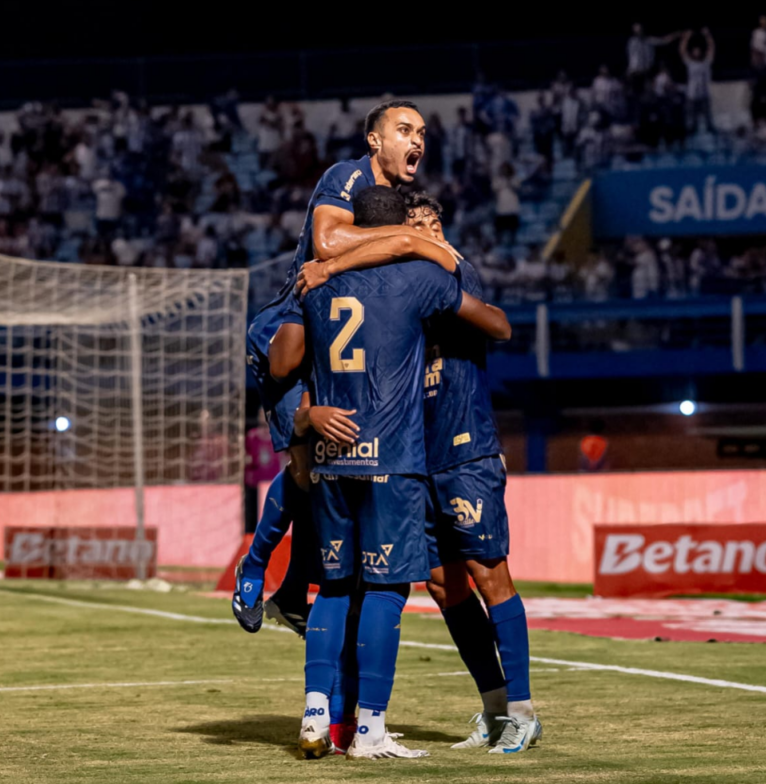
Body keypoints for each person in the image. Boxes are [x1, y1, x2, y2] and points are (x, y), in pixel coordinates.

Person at [295, 185, 510, 760]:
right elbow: (493, 322)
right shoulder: (419, 278)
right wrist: (427, 246)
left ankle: (316, 712)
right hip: (392, 455)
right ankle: (370, 730)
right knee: (387, 588)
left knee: (334, 587)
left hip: (330, 455)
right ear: (397, 231)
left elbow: (286, 358)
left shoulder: (313, 284)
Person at [236, 100, 453, 638]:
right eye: (404, 130)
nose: (417, 140)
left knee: (332, 472)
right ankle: (255, 566)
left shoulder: (399, 203)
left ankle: (293, 592)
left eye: (422, 132)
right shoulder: (347, 176)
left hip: (337, 338)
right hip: (290, 327)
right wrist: (410, 241)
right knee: (306, 471)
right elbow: (327, 242)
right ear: (375, 140)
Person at [404, 191, 541, 753]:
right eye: (415, 224)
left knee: (489, 576)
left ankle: (524, 712)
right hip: (420, 457)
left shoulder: (458, 271)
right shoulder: (402, 293)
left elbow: (496, 324)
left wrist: (430, 247)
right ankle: (494, 706)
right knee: (441, 585)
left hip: (467, 452)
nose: (427, 232)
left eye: (432, 222)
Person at [681, 28, 716, 134]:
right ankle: (692, 132)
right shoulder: (690, 63)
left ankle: (710, 132)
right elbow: (682, 51)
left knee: (708, 118)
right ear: (692, 53)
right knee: (692, 118)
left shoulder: (705, 63)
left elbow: (712, 49)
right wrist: (686, 38)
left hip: (704, 93)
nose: (696, 53)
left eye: (698, 51)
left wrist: (708, 36)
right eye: (695, 51)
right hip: (692, 94)